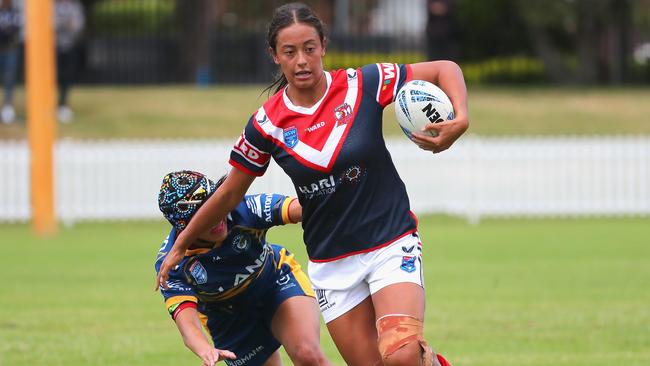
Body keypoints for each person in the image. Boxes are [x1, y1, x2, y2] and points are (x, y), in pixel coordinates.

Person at [157, 3, 469, 365]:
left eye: (309, 48)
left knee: (399, 355)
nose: (302, 60)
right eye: (290, 52)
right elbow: (229, 192)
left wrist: (459, 118)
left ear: (323, 45)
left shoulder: (363, 84)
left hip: (390, 240)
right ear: (275, 56)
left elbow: (445, 69)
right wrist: (181, 245)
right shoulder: (265, 125)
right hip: (331, 261)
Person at [155, 170, 331, 366]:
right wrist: (205, 349)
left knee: (308, 355)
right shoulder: (171, 264)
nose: (217, 217)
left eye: (215, 204)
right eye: (203, 216)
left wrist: (337, 202)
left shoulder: (244, 208)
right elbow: (187, 323)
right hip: (228, 319)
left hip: (275, 281)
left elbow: (300, 209)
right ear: (183, 226)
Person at [54, 0, 85, 123]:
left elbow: (78, 25)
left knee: (67, 76)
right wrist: (66, 23)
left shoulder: (75, 6)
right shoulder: (53, 6)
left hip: (70, 45)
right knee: (54, 76)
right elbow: (50, 24)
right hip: (54, 46)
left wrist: (67, 24)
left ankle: (63, 104)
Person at [0, 0, 21, 124]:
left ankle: (8, 108)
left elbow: (15, 29)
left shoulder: (14, 12)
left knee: (9, 79)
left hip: (10, 49)